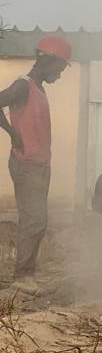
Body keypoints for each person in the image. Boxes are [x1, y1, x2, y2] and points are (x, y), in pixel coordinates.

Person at [0, 35, 71, 289]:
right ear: (47, 60)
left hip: (39, 164)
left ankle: (28, 272)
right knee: (33, 219)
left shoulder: (38, 89)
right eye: (60, 69)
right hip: (27, 163)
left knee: (38, 221)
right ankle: (22, 277)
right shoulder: (24, 85)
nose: (59, 75)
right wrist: (12, 133)